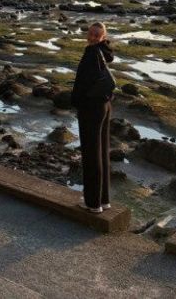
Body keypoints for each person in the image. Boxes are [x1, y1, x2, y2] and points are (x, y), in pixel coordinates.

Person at [71, 22, 115, 213]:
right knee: (102, 152)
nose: (92, 37)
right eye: (91, 33)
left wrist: (75, 102)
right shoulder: (104, 52)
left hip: (91, 107)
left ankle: (92, 203)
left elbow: (83, 84)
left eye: (96, 35)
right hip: (105, 105)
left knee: (91, 154)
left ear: (103, 36)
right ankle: (104, 200)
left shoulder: (91, 54)